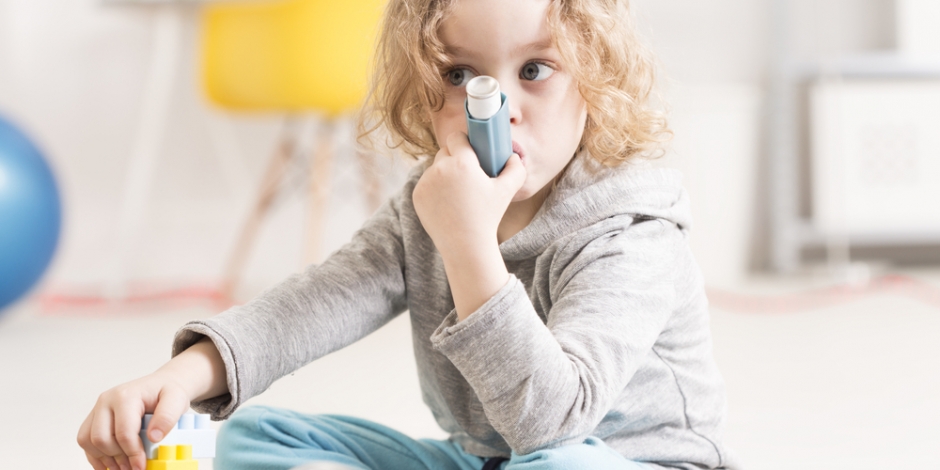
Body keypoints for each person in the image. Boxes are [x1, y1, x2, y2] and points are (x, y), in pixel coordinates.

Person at [77, 0, 739, 469]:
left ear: (593, 79)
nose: (495, 108)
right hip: (483, 460)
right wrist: (180, 375)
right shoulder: (427, 206)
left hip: (624, 462)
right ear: (424, 88)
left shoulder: (628, 229)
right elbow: (317, 302)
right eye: (460, 75)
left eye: (534, 69)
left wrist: (468, 243)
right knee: (256, 438)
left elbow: (550, 426)